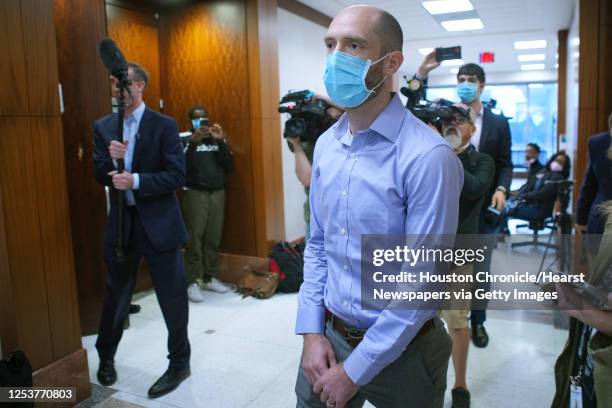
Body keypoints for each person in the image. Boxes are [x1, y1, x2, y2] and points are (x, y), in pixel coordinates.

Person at [295, 6, 463, 408]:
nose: (337, 57)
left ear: (391, 63)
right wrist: (311, 332)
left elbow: (421, 283)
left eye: (354, 45)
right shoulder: (326, 146)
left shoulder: (428, 158)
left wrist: (355, 371)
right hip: (329, 338)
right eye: (330, 44)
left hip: (405, 350)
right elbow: (318, 245)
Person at [93, 62, 191, 398]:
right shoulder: (104, 126)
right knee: (116, 296)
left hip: (160, 224)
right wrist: (111, 160)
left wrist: (135, 179)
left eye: (127, 83)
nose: (119, 90)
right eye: (114, 84)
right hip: (122, 225)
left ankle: (179, 362)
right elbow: (98, 173)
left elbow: (177, 175)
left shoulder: (164, 125)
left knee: (172, 298)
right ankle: (106, 357)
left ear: (141, 86)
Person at [417, 57, 513, 348]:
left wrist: (501, 188)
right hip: (448, 207)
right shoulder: (448, 115)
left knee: (479, 270)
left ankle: (478, 322)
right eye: (460, 79)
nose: (464, 85)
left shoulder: (497, 123)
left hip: (482, 204)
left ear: (481, 85)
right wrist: (421, 74)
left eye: (470, 80)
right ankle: (443, 321)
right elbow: (417, 107)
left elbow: (505, 163)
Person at [439, 104, 495, 408]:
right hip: (427, 252)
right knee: (419, 320)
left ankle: (460, 383)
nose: (453, 125)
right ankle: (428, 377)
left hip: (460, 252)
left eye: (460, 121)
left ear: (472, 129)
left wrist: (448, 154)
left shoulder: (481, 160)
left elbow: (474, 189)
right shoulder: (430, 155)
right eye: (447, 121)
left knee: (457, 322)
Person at [181, 106, 234, 301]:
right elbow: (180, 167)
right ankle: (192, 281)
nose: (201, 122)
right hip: (195, 193)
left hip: (217, 192)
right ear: (190, 121)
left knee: (213, 236)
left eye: (204, 118)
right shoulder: (184, 138)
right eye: (196, 119)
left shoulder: (215, 137)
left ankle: (209, 276)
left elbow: (228, 166)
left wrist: (220, 142)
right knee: (194, 238)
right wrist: (193, 143)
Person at [287, 99, 344, 241]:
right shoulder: (313, 144)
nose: (334, 123)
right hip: (317, 218)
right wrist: (296, 144)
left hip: (345, 217)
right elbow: (307, 180)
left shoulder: (352, 140)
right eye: (330, 118)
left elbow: (354, 109)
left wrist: (322, 98)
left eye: (338, 118)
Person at [503, 152, 571, 223]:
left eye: (560, 162)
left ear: (564, 166)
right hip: (531, 204)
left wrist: (523, 196)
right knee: (504, 205)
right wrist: (518, 193)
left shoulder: (558, 178)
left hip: (540, 210)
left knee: (505, 211)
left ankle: (503, 232)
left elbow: (542, 194)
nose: (556, 163)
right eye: (556, 160)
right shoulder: (545, 172)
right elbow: (530, 184)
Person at [576, 112, 612, 235]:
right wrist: (581, 218)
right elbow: (590, 183)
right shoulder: (598, 143)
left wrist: (581, 218)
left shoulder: (598, 142)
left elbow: (590, 184)